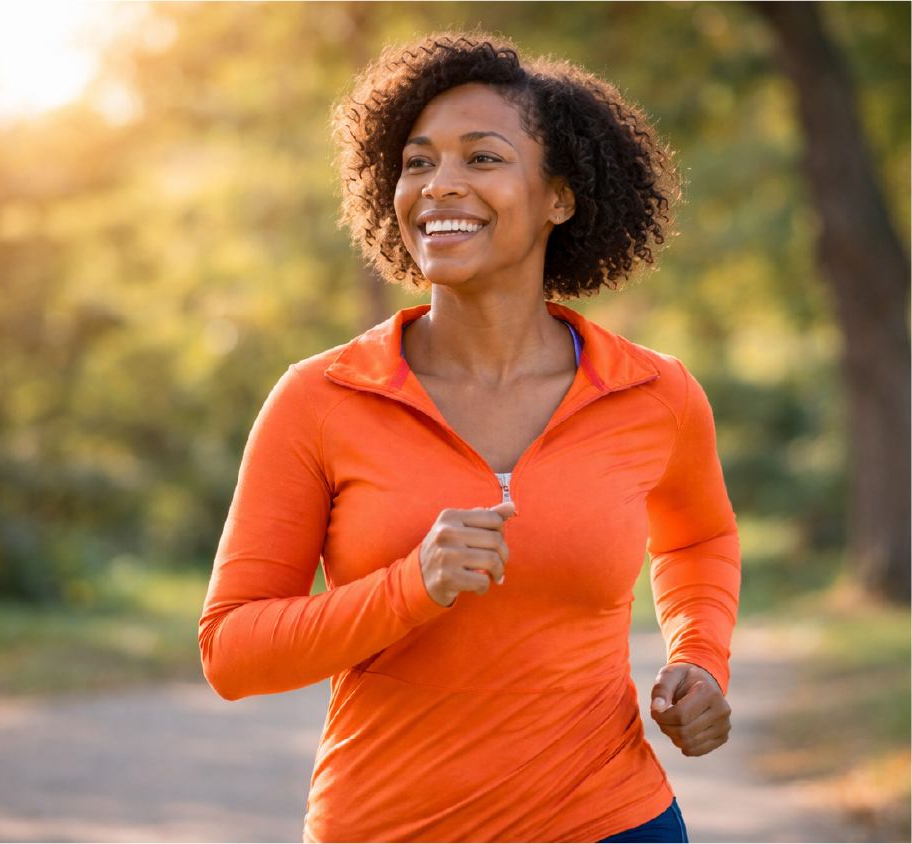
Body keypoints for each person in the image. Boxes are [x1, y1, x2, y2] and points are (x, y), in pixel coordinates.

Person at [199, 32, 740, 844]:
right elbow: (232, 652)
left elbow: (699, 538)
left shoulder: (651, 392)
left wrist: (698, 659)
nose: (438, 184)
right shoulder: (322, 397)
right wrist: (408, 587)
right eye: (416, 163)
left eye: (481, 158)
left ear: (559, 198)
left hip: (611, 822)